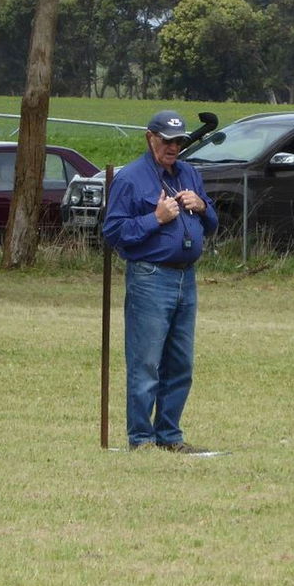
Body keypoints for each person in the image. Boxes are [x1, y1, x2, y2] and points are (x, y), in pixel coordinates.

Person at [101, 109, 219, 452]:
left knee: (180, 362)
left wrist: (202, 206)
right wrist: (155, 218)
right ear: (150, 137)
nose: (173, 147)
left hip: (187, 278)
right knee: (146, 362)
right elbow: (113, 231)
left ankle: (170, 435)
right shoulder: (131, 179)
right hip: (150, 277)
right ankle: (141, 439)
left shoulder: (189, 174)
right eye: (167, 140)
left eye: (178, 141)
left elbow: (211, 223)